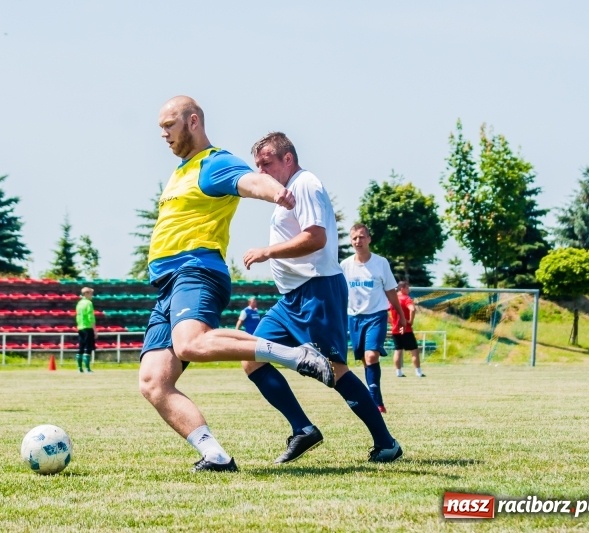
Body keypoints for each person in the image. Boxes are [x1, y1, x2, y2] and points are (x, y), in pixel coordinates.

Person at [138, 96, 335, 473]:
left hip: (194, 272)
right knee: (153, 382)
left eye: (169, 125)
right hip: (167, 286)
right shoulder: (181, 171)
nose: (163, 134)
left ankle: (298, 356)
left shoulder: (212, 163)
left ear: (193, 122)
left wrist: (275, 191)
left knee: (191, 343)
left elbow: (249, 179)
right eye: (161, 127)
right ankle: (215, 455)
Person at [241, 132, 403, 464]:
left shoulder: (305, 184)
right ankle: (303, 429)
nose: (261, 171)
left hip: (317, 291)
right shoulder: (286, 193)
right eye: (257, 166)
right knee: (250, 356)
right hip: (290, 300)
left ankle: (386, 443)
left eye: (266, 163)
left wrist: (267, 252)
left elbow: (316, 238)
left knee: (335, 369)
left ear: (287, 159)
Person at [340, 223, 407, 414]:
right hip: (354, 317)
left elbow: (390, 291)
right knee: (364, 359)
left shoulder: (381, 263)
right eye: (354, 238)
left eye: (362, 237)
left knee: (371, 356)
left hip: (376, 315)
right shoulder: (345, 266)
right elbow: (339, 293)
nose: (358, 241)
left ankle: (376, 402)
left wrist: (400, 315)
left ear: (369, 239)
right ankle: (374, 398)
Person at [390, 281, 425, 378]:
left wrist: (391, 321)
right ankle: (418, 372)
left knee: (398, 350)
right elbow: (412, 309)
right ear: (402, 288)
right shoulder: (406, 299)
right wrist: (410, 321)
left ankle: (398, 372)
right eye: (407, 288)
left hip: (396, 329)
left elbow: (384, 311)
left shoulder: (392, 299)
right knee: (414, 350)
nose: (409, 290)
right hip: (406, 329)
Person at [76, 286, 96, 373]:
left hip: (80, 327)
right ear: (86, 294)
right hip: (88, 327)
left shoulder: (79, 303)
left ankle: (80, 368)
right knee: (88, 347)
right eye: (91, 293)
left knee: (81, 347)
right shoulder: (88, 303)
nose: (92, 295)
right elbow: (90, 317)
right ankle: (87, 368)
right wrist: (94, 329)